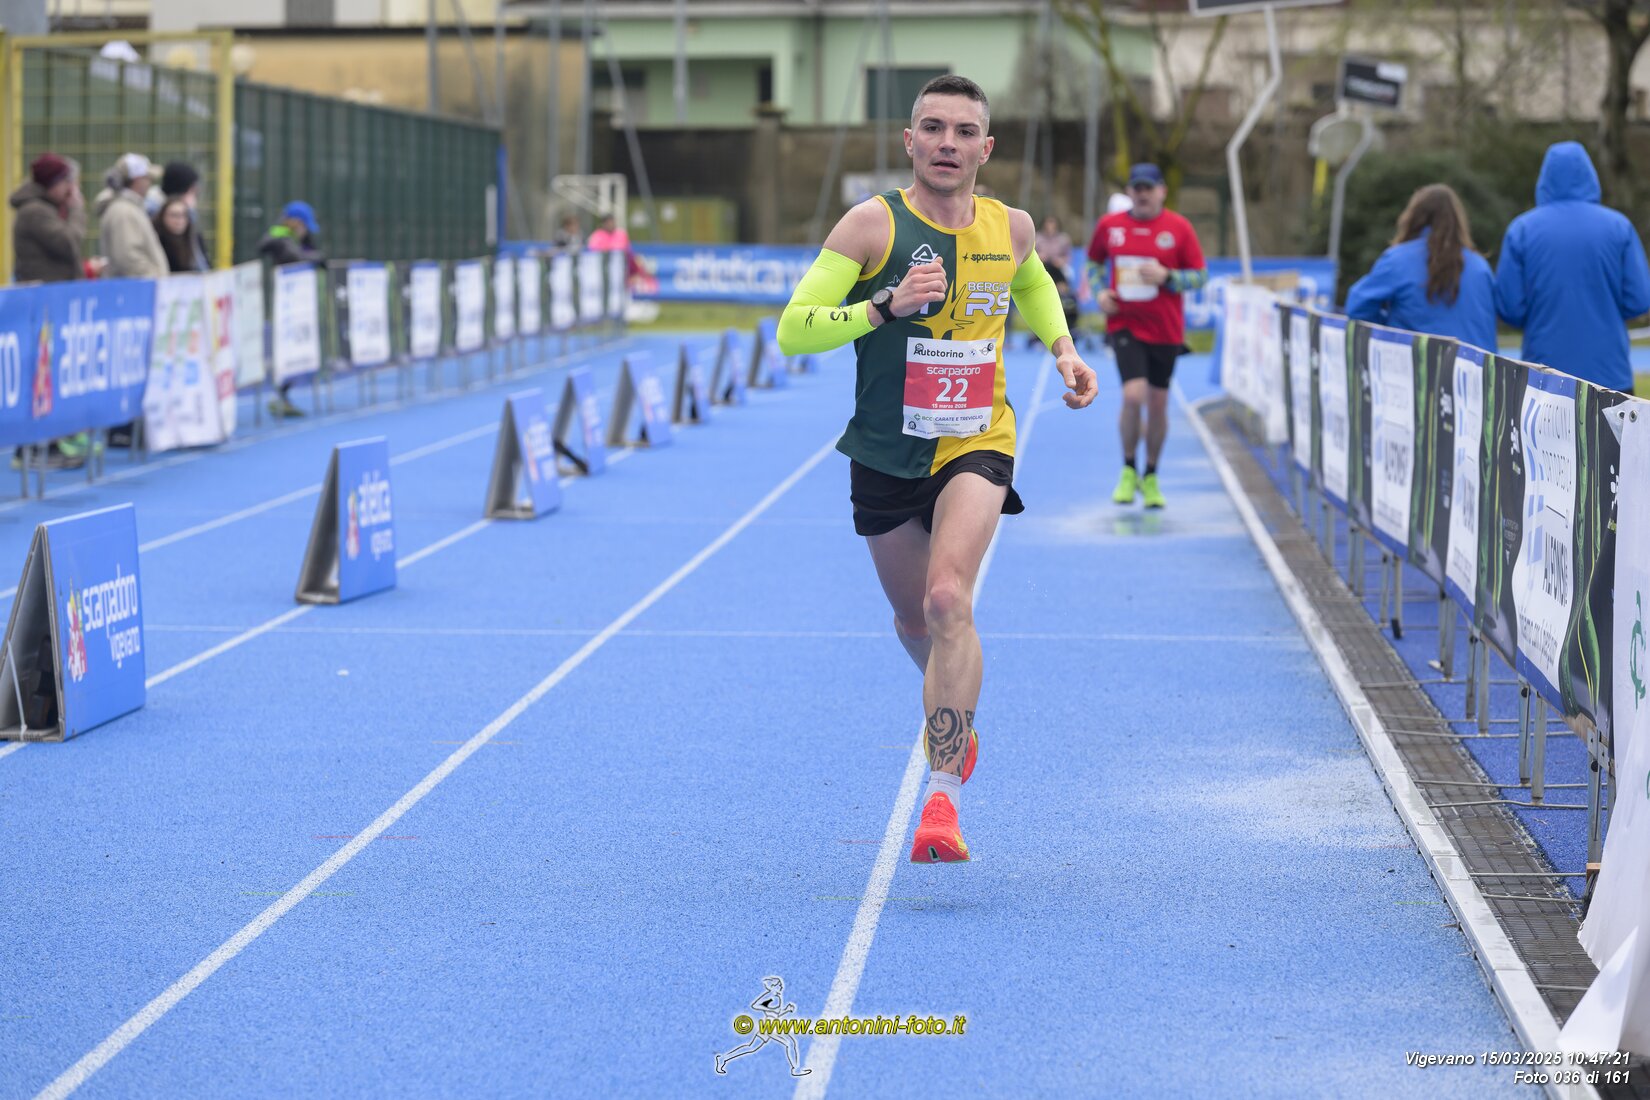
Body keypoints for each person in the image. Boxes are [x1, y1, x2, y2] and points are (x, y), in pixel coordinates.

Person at [777, 74, 1097, 864]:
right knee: (916, 623)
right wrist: (882, 306)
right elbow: (794, 330)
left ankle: (942, 798)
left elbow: (1032, 283)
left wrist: (1063, 348)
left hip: (975, 439)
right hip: (885, 449)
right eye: (933, 128)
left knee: (949, 598)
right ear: (910, 141)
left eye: (964, 131)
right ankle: (958, 707)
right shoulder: (870, 226)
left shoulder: (1011, 226)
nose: (947, 143)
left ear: (986, 148)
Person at [1086, 162, 1207, 509]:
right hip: (1124, 324)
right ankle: (1128, 468)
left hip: (1166, 330)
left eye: (1148, 188)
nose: (1142, 194)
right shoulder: (1110, 226)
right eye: (1136, 188)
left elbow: (1200, 276)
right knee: (1133, 396)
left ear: (1161, 191)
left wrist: (1168, 277)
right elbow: (1093, 263)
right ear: (1129, 192)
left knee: (1157, 404)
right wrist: (1099, 292)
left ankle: (1151, 474)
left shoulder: (1179, 228)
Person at [1494, 140, 1650, 393]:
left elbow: (1510, 308)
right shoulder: (1619, 227)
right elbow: (1639, 301)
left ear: (1544, 179)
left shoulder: (1521, 230)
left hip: (1544, 376)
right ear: (1590, 176)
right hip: (1609, 374)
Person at [1344, 184, 1496, 351]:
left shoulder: (1398, 259)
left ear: (1413, 217)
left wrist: (1388, 331)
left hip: (1417, 362)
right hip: (1475, 364)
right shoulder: (1480, 266)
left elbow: (1358, 306)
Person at [259, 201, 325, 417]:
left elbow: (313, 255)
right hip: (281, 304)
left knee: (298, 348)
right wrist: (312, 258)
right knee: (283, 349)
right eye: (303, 226)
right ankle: (278, 395)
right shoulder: (278, 237)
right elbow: (294, 256)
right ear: (294, 222)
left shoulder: (299, 238)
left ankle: (284, 395)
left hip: (298, 304)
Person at [11, 153, 85, 284]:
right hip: (46, 292)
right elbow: (68, 244)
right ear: (53, 183)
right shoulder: (35, 212)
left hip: (52, 289)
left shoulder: (46, 208)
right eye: (65, 181)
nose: (69, 188)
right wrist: (76, 210)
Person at [94, 153, 167, 280]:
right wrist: (154, 278)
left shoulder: (127, 209)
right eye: (147, 177)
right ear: (137, 180)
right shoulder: (124, 212)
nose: (150, 183)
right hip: (138, 289)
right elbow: (128, 258)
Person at [149, 161, 210, 272]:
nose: (180, 221)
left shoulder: (188, 218)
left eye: (184, 216)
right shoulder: (154, 216)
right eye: (191, 191)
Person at [154, 198, 203, 273]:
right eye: (174, 215)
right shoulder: (155, 240)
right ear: (162, 217)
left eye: (184, 215)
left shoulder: (193, 238)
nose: (180, 220)